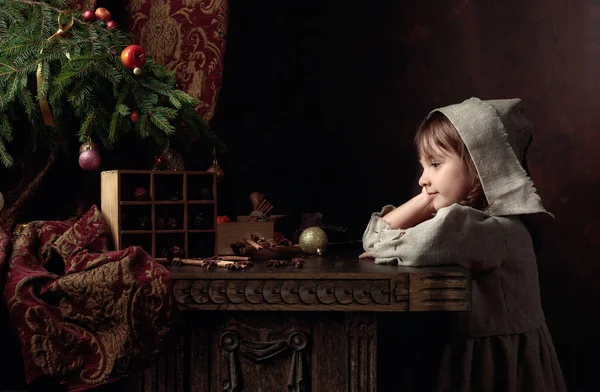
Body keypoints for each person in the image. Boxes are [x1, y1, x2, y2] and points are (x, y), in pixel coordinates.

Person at [360, 97, 566, 391]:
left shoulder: (484, 229)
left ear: (481, 164)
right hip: (494, 354)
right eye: (422, 167)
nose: (422, 179)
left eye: (434, 164)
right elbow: (378, 237)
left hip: (499, 364)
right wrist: (429, 195)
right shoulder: (489, 223)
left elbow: (381, 239)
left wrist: (425, 203)